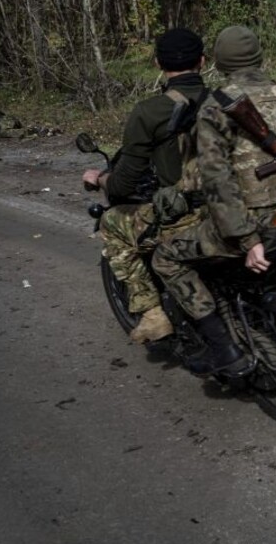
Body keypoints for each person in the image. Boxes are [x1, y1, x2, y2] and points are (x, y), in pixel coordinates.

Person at [151, 25, 276, 376]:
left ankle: (224, 349)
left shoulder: (217, 106)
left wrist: (247, 239)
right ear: (260, 56)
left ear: (217, 62)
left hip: (256, 229)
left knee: (166, 256)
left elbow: (217, 178)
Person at [82, 27, 210, 345]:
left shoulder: (150, 112)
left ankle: (152, 314)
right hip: (230, 206)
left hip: (188, 215)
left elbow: (123, 183)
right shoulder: (227, 102)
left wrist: (101, 179)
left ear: (157, 64)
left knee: (112, 222)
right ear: (203, 62)